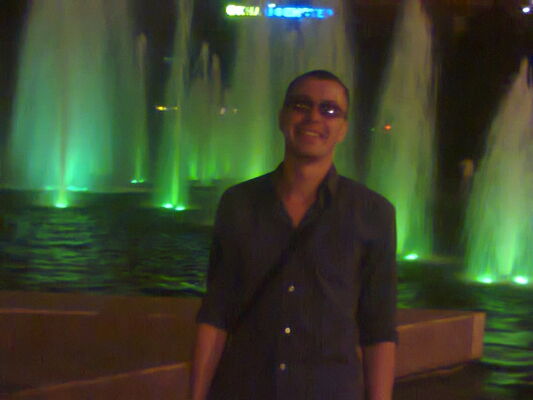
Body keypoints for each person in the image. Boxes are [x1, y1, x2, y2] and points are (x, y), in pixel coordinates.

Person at [191, 70, 397, 400]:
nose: (314, 116)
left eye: (330, 109)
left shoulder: (373, 213)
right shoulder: (238, 203)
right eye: (301, 105)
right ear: (282, 117)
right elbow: (216, 313)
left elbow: (379, 328)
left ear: (343, 129)